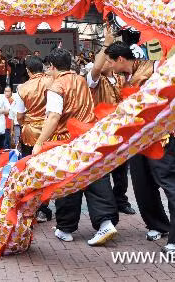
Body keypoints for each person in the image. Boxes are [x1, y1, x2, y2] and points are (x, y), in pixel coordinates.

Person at [104, 41, 175, 255]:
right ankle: (158, 225)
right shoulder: (121, 79)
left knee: (172, 187)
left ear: (121, 60)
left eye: (110, 61)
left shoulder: (155, 68)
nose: (108, 65)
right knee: (143, 187)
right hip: (137, 141)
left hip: (160, 138)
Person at [32, 48, 119, 246]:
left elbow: (53, 117)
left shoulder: (56, 86)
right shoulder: (82, 80)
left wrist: (39, 143)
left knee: (67, 183)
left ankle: (65, 228)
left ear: (52, 66)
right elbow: (96, 67)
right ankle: (105, 222)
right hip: (89, 137)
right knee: (96, 177)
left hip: (67, 140)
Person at [86, 27, 135, 215]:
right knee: (104, 168)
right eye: (105, 59)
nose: (107, 63)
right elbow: (97, 67)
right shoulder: (95, 80)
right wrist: (106, 43)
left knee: (122, 169)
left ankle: (121, 200)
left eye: (110, 59)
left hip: (121, 130)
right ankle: (108, 203)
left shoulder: (121, 77)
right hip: (103, 130)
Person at [15, 55, 54, 222]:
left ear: (28, 71)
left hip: (30, 132)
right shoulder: (51, 82)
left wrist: (27, 121)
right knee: (48, 170)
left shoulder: (22, 88)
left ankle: (32, 206)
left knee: (31, 170)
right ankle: (45, 207)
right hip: (50, 130)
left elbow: (19, 116)